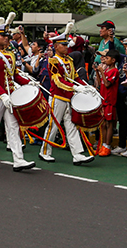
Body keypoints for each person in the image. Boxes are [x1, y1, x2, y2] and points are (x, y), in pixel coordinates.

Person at [0, 14, 36, 171]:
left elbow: (14, 75)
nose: (6, 38)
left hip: (10, 95)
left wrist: (29, 82)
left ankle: (19, 159)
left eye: (7, 35)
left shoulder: (9, 54)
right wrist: (2, 94)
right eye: (3, 36)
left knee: (13, 127)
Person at [39, 26, 95, 166]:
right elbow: (58, 81)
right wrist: (76, 88)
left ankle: (77, 154)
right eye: (63, 45)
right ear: (56, 46)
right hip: (58, 98)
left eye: (66, 44)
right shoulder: (53, 61)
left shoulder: (69, 60)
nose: (66, 47)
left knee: (72, 126)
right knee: (53, 126)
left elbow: (75, 77)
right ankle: (45, 151)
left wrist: (86, 86)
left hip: (69, 98)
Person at [94, 49, 120, 157]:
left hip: (110, 101)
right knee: (103, 124)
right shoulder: (106, 70)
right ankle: (103, 143)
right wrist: (97, 71)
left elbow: (108, 84)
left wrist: (101, 72)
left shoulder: (114, 71)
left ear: (113, 60)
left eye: (107, 58)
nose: (105, 60)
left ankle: (107, 145)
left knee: (109, 124)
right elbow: (101, 83)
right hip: (103, 99)